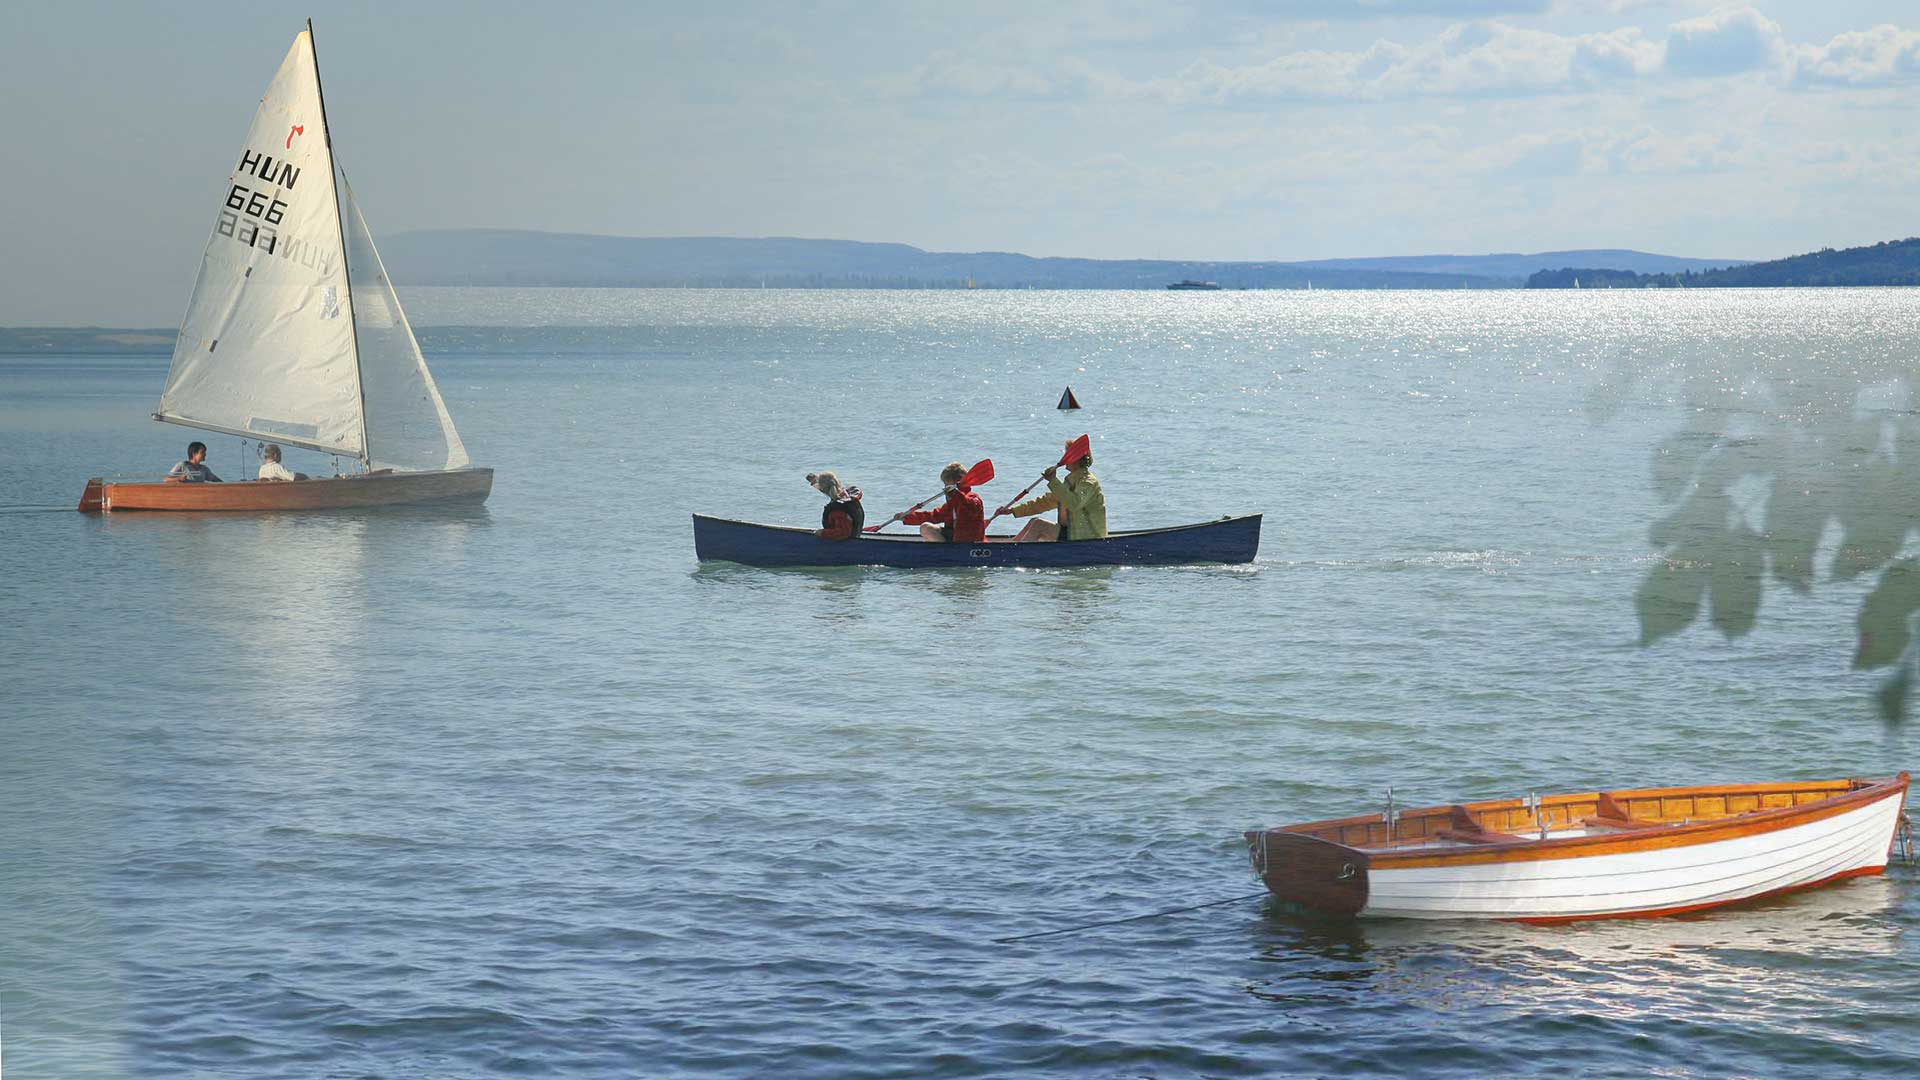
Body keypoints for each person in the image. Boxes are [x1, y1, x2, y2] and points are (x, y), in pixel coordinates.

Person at [998, 440, 1106, 542]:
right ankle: (1011, 548)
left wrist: (1053, 481)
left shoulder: (1088, 482)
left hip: (1087, 537)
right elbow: (1044, 503)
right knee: (1034, 522)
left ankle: (1016, 554)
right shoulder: (1070, 482)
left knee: (1039, 525)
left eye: (1068, 454)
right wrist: (1013, 511)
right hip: (1071, 533)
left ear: (1077, 459)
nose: (1065, 458)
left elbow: (1074, 503)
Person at [898, 461, 986, 543]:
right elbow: (934, 516)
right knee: (925, 527)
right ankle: (945, 552)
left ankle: (948, 553)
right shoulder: (952, 503)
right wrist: (907, 517)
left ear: (957, 482)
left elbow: (968, 507)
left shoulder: (973, 498)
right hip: (955, 538)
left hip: (970, 541)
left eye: (947, 484)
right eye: (945, 484)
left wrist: (955, 494)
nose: (945, 487)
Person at [807, 471, 864, 540]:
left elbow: (843, 533)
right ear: (837, 482)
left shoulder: (838, 508)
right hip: (855, 536)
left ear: (823, 489)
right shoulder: (848, 497)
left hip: (845, 545)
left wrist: (822, 533)